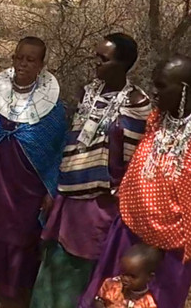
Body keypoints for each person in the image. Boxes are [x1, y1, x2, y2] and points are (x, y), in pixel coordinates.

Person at [31, 33, 151, 308]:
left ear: (123, 64)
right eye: (96, 56)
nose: (96, 63)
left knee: (80, 266)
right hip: (68, 195)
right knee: (53, 259)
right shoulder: (89, 92)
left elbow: (135, 161)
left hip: (99, 204)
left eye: (103, 59)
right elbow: (72, 142)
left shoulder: (137, 104)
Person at [79, 55, 191, 308]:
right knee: (109, 296)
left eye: (161, 86)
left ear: (184, 90)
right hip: (128, 232)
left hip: (169, 251)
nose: (154, 92)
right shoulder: (155, 119)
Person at [0, 37, 67, 304]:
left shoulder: (53, 108)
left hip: (28, 184)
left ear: (42, 65)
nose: (23, 64)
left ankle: (9, 290)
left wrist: (50, 188)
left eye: (31, 60)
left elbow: (56, 150)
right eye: (19, 57)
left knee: (20, 236)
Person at [94, 244, 162, 308]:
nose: (125, 278)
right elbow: (99, 300)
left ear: (149, 277)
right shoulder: (111, 285)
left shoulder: (148, 303)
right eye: (123, 273)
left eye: (132, 276)